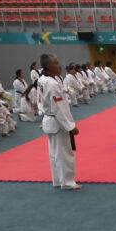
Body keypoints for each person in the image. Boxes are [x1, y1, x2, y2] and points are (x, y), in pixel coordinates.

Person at [39, 53, 80, 190]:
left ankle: (58, 180)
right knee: (64, 153)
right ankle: (67, 182)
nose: (59, 66)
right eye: (56, 63)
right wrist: (70, 126)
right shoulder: (51, 83)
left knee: (54, 153)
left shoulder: (43, 79)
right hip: (57, 122)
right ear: (48, 66)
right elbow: (58, 108)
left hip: (49, 120)